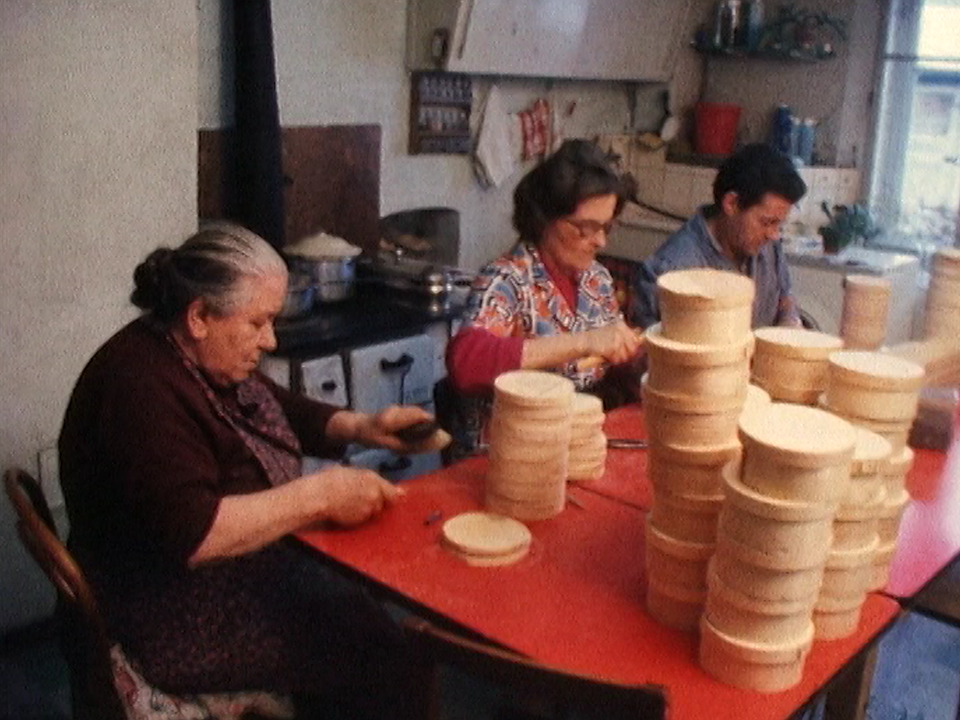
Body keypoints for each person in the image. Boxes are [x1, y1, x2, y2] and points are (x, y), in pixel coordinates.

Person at [57, 223, 433, 717]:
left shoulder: (190, 350)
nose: (271, 340)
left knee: (357, 615)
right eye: (258, 323)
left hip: (210, 579)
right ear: (199, 316)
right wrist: (319, 496)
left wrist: (364, 426)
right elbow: (196, 535)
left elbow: (273, 405)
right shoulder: (140, 389)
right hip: (163, 610)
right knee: (381, 651)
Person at [443, 139, 644, 457]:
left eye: (606, 227)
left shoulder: (596, 280)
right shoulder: (507, 280)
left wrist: (637, 357)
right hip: (509, 458)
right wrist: (585, 342)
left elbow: (611, 369)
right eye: (586, 228)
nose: (600, 241)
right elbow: (466, 362)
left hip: (573, 445)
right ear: (544, 218)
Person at [632, 143, 807, 330]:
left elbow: (785, 297)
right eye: (766, 222)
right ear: (731, 203)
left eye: (779, 224)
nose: (774, 234)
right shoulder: (673, 269)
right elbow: (655, 352)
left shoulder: (769, 244)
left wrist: (789, 324)